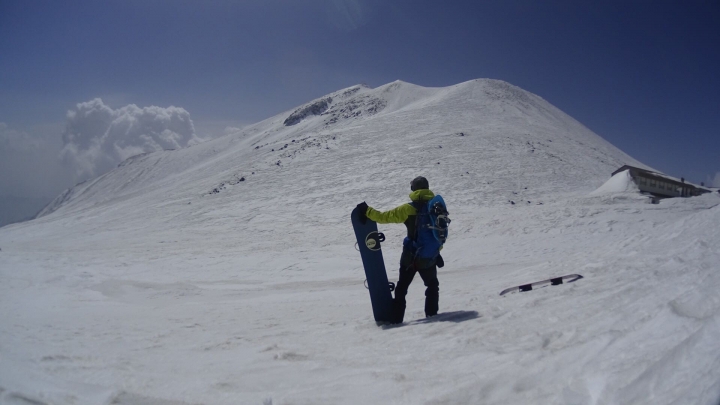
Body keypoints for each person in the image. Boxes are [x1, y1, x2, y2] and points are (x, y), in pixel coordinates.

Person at [356, 176, 443, 323]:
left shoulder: (408, 209)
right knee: (432, 286)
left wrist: (367, 211)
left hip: (410, 257)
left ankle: (397, 319)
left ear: (414, 189)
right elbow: (440, 233)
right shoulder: (436, 207)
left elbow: (384, 217)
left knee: (402, 288)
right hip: (429, 257)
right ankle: (432, 316)